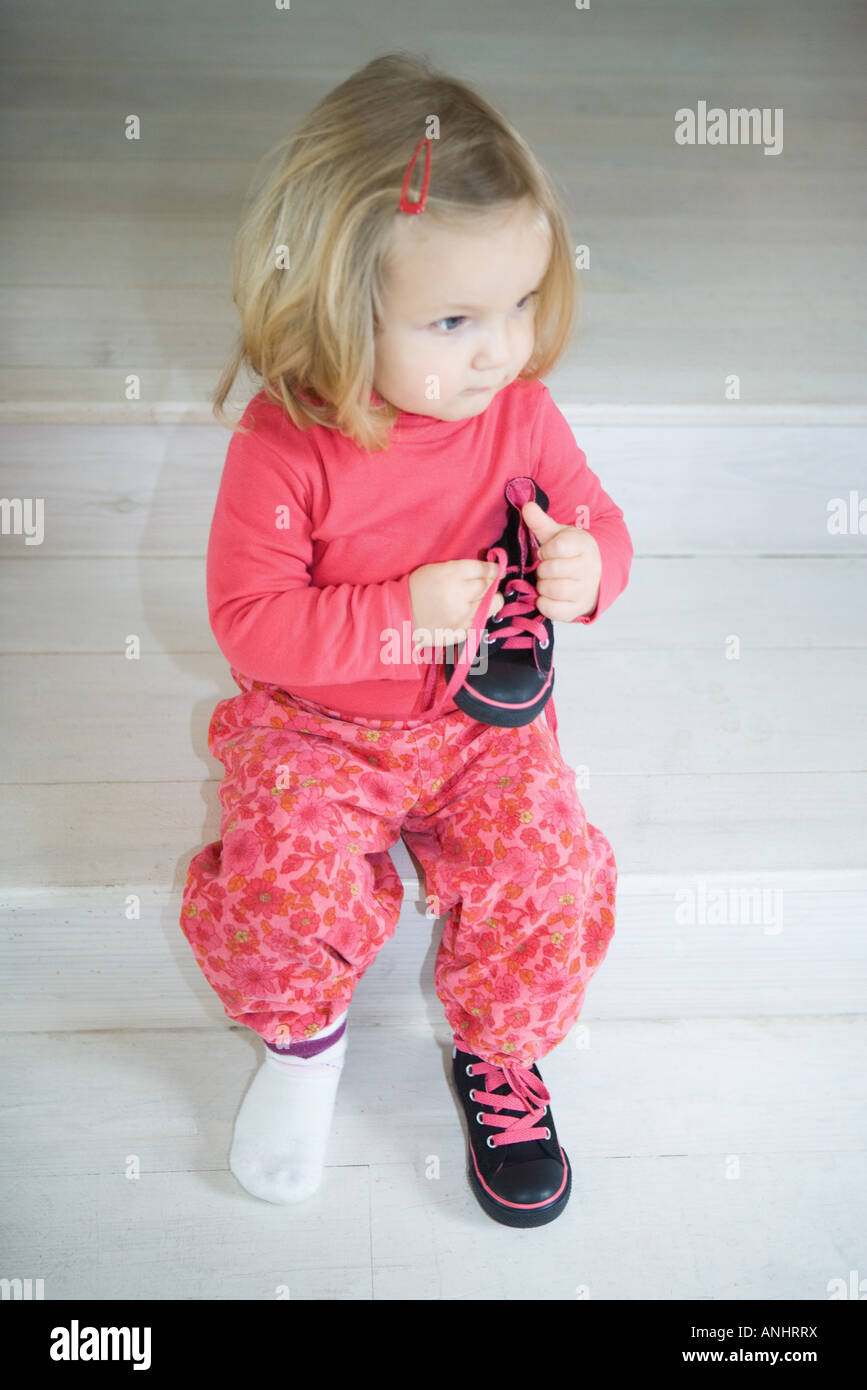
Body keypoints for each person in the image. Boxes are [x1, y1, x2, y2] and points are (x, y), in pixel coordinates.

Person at [180, 51, 633, 1227]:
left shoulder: (518, 412)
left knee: (547, 865)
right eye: (453, 318)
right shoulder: (288, 446)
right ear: (338, 301)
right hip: (320, 722)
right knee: (283, 874)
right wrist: (402, 615)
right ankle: (304, 1045)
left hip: (483, 728)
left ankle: (502, 1054)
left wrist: (588, 567)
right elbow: (252, 622)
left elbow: (595, 519)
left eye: (522, 302)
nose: (500, 348)